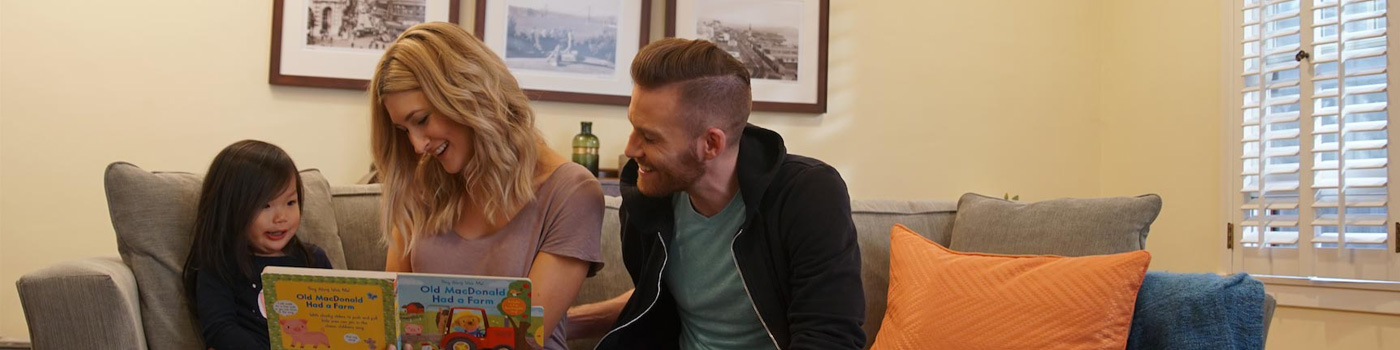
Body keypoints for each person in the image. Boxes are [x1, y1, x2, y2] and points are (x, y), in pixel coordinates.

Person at [569, 38, 866, 349]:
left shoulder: (807, 195)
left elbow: (831, 338)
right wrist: (557, 323)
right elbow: (660, 299)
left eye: (650, 137)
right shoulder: (646, 200)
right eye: (633, 127)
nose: (631, 149)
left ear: (711, 144)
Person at [368, 22, 604, 350]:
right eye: (402, 130)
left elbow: (521, 340)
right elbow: (394, 321)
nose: (418, 145)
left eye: (421, 120)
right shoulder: (420, 185)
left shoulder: (571, 192)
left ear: (469, 94)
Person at [181, 140, 334, 350]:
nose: (281, 217)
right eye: (265, 205)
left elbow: (335, 323)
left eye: (290, 203)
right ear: (231, 209)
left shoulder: (313, 259)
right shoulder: (220, 265)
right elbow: (220, 330)